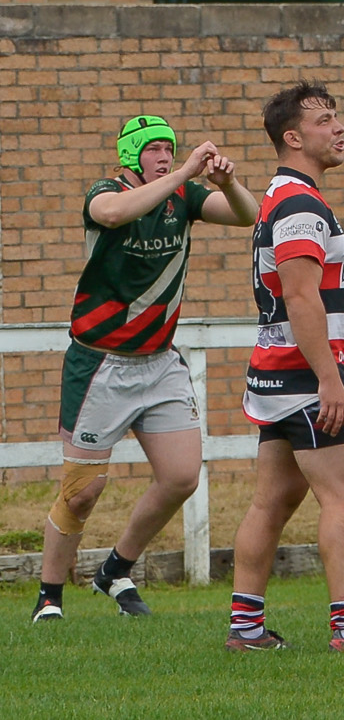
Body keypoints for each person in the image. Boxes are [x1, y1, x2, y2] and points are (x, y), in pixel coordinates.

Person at [30, 117, 257, 624]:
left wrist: (226, 183)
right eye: (153, 149)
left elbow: (249, 215)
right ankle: (49, 596)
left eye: (169, 149)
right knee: (82, 492)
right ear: (131, 156)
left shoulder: (185, 197)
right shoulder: (106, 191)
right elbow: (111, 215)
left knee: (181, 477)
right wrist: (181, 174)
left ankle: (115, 569)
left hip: (159, 364)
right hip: (100, 365)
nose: (164, 156)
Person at [227, 83, 344, 652]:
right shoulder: (299, 203)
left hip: (274, 376)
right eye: (325, 120)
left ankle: (245, 630)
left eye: (338, 116)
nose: (339, 127)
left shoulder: (280, 196)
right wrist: (330, 380)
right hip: (306, 377)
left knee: (269, 502)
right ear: (293, 138)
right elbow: (300, 298)